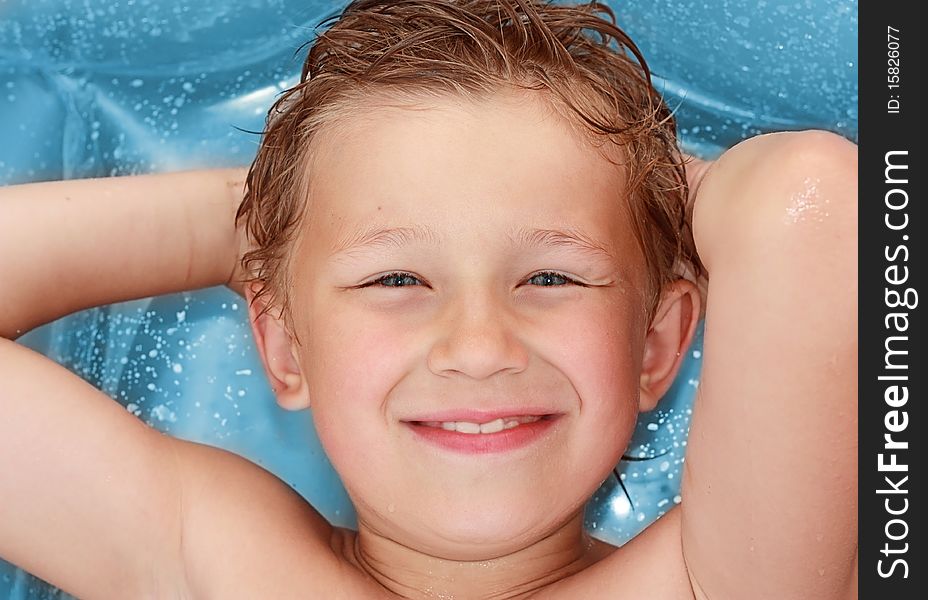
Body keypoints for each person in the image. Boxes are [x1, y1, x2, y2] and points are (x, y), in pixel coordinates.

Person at [0, 0, 857, 598]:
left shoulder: (735, 578)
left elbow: (814, 201)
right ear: (285, 346)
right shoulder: (213, 560)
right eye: (396, 280)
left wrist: (646, 197)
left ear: (655, 345)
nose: (478, 347)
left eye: (551, 277)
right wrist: (257, 218)